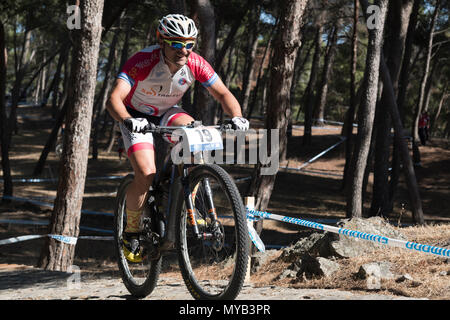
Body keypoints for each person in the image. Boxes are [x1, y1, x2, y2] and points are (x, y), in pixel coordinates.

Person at [106, 14, 249, 260]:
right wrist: (128, 120)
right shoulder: (143, 61)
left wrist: (237, 116)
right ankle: (131, 230)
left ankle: (184, 198)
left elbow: (223, 93)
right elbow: (113, 100)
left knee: (195, 139)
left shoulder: (195, 63)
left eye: (189, 44)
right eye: (175, 44)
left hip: (167, 112)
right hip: (136, 115)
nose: (183, 50)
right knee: (146, 172)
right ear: (161, 41)